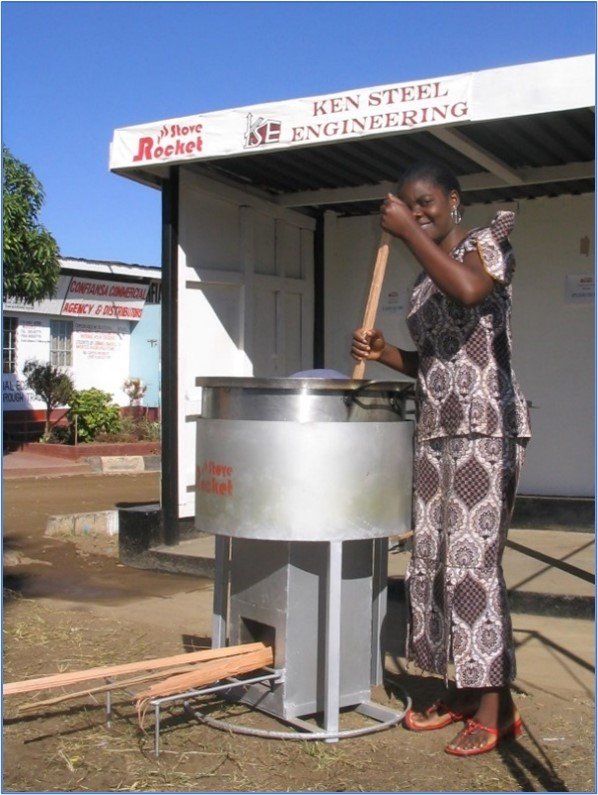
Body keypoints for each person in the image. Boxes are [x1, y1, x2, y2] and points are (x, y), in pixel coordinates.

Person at [351, 161, 531, 757]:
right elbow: (433, 364)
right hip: (435, 434)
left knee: (475, 564)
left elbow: (473, 289)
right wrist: (386, 355)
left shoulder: (487, 244)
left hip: (486, 430)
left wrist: (406, 233)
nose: (418, 212)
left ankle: (496, 707)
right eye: (407, 205)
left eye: (426, 203)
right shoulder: (426, 284)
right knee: (432, 563)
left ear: (454, 201)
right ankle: (459, 688)